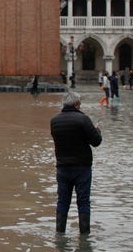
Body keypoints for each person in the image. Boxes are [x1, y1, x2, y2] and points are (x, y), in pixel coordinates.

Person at [50, 91, 102, 235]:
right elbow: (96, 142)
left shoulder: (54, 120)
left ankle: (60, 233)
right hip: (82, 168)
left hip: (62, 168)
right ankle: (84, 236)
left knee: (62, 202)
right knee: (83, 202)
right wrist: (97, 131)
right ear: (76, 104)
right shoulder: (83, 119)